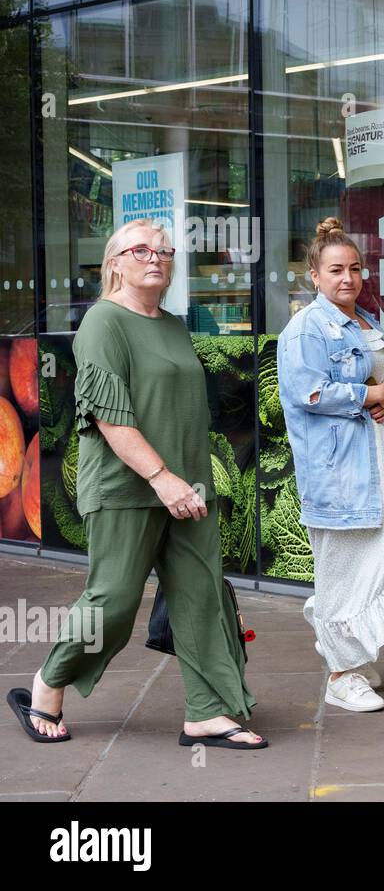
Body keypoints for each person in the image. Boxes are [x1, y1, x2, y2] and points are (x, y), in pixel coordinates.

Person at [6, 219, 264, 748]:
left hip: (189, 487)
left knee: (200, 600)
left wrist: (189, 479)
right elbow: (109, 416)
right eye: (140, 249)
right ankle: (47, 683)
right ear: (114, 263)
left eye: (164, 251)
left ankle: (208, 712)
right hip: (128, 486)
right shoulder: (103, 321)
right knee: (113, 602)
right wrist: (161, 478)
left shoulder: (173, 324)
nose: (155, 257)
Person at [277, 218, 384, 713]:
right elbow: (310, 392)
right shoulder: (307, 327)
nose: (347, 278)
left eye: (355, 269)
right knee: (346, 563)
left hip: (380, 459)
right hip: (343, 469)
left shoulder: (365, 322)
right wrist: (371, 395)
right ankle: (341, 674)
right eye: (335, 270)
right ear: (315, 275)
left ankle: (352, 655)